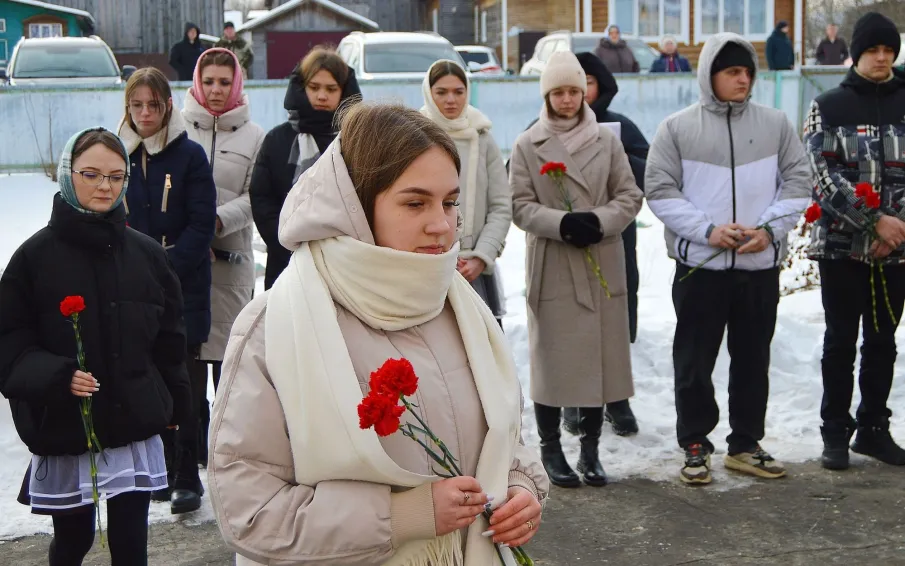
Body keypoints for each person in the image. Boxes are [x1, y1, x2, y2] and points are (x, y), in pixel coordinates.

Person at [209, 102, 548, 564]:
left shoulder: (461, 305)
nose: (442, 226)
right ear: (355, 205)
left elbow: (506, 436)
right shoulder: (275, 326)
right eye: (415, 202)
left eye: (450, 202)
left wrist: (520, 488)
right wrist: (402, 515)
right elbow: (249, 511)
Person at [0, 128, 192, 565]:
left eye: (116, 176)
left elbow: (170, 341)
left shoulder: (147, 255)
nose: (105, 186)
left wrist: (177, 408)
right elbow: (9, 344)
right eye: (91, 174)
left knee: (130, 544)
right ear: (69, 175)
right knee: (73, 542)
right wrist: (57, 375)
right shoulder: (33, 258)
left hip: (133, 422)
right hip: (67, 425)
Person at [645, 34, 811, 485]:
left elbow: (799, 180)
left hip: (758, 269)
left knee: (753, 357)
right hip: (702, 268)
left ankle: (745, 443)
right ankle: (695, 443)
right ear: (710, 76)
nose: (742, 79)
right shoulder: (678, 128)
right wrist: (707, 231)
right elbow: (660, 189)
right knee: (695, 358)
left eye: (748, 72)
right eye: (732, 72)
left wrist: (770, 229)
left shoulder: (776, 124)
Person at [509, 51, 643, 488]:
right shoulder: (528, 143)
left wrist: (600, 222)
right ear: (547, 95)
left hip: (600, 257)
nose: (568, 99)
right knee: (554, 361)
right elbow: (518, 204)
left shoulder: (606, 140)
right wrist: (562, 222)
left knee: (597, 361)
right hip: (554, 262)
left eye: (575, 90)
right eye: (559, 92)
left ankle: (590, 450)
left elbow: (629, 195)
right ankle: (551, 449)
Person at [803, 12, 905, 471]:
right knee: (840, 340)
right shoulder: (828, 104)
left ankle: (873, 429)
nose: (882, 58)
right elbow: (822, 177)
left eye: (889, 50)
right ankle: (835, 432)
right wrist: (872, 222)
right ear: (856, 54)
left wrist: (896, 226)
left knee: (882, 340)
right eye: (873, 51)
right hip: (842, 248)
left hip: (897, 247)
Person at [118, 67, 217, 514]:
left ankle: (185, 476)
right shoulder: (117, 152)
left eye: (152, 105)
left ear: (167, 106)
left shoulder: (190, 156)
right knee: (147, 377)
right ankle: (157, 467)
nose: (144, 114)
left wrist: (163, 267)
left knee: (186, 382)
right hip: (132, 287)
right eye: (136, 105)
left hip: (183, 286)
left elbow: (201, 224)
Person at [561, 52, 651, 439]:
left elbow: (649, 173)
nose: (577, 94)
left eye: (587, 83)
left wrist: (615, 156)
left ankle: (617, 400)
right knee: (569, 323)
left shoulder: (622, 127)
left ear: (600, 86)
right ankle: (571, 399)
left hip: (614, 240)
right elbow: (520, 178)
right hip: (563, 243)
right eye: (567, 86)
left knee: (613, 320)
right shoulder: (543, 129)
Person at [182, 48, 265, 466]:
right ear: (198, 82)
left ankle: (228, 454)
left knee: (230, 363)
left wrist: (215, 221)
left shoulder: (254, 135)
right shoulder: (178, 130)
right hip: (183, 266)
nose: (216, 90)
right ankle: (190, 453)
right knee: (189, 362)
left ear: (237, 86)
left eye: (224, 82)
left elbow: (256, 197)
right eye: (209, 81)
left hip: (230, 264)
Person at [250, 47, 361, 290]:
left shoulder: (357, 141)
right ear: (301, 88)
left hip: (346, 265)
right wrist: (286, 242)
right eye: (314, 87)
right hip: (285, 263)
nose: (322, 95)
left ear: (344, 91)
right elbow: (262, 199)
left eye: (331, 89)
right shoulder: (278, 140)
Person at [420, 59, 511, 327]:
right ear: (428, 92)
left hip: (474, 269)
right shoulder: (412, 136)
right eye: (442, 92)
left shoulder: (482, 137)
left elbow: (501, 206)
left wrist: (482, 256)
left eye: (458, 91)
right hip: (427, 266)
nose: (451, 100)